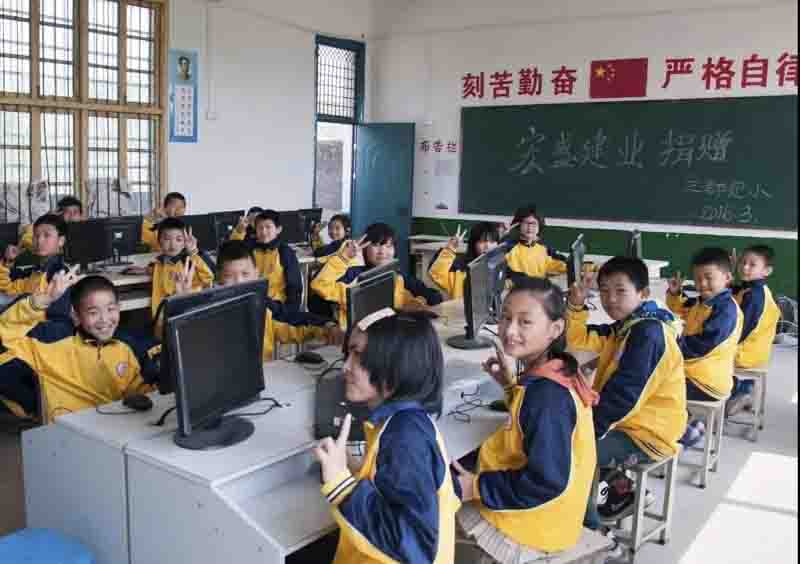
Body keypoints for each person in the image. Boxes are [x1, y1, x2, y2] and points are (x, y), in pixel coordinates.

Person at [451, 277, 597, 560]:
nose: (509, 330)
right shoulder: (556, 369)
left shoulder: (547, 397)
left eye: (525, 322)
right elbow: (529, 423)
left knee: (432, 496)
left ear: (555, 329)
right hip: (551, 515)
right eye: (505, 318)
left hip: (533, 526)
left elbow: (546, 482)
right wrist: (510, 387)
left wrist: (475, 487)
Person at [314, 309, 459, 563]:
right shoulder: (403, 422)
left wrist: (341, 486)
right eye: (348, 353)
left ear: (396, 368)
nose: (345, 367)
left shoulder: (405, 438)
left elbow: (416, 548)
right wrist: (358, 468)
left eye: (358, 355)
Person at [567, 257, 686, 526]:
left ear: (643, 293)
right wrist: (576, 306)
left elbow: (623, 399)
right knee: (567, 433)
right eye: (604, 291)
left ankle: (594, 533)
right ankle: (620, 490)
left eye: (620, 291)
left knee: (571, 449)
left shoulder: (648, 334)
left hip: (648, 434)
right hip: (631, 422)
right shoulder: (627, 325)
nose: (610, 299)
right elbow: (579, 340)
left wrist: (584, 430)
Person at [0, 271, 160, 422]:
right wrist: (41, 301)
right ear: (76, 316)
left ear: (119, 308)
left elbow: (146, 391)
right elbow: (6, 332)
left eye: (110, 309)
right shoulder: (50, 341)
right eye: (93, 312)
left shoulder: (126, 346)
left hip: (117, 427)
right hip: (68, 430)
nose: (104, 319)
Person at [186, 240, 341, 361]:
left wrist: (327, 326)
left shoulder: (263, 308)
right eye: (229, 276)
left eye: (245, 274)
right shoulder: (210, 314)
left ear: (256, 274)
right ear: (219, 279)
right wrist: (184, 303)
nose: (239, 282)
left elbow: (293, 320)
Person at [667, 247, 743, 447]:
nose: (702, 284)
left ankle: (682, 431)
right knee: (655, 377)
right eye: (697, 278)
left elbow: (701, 346)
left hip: (706, 382)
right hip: (696, 373)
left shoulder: (725, 310)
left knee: (654, 384)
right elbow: (683, 308)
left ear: (727, 278)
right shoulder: (704, 302)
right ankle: (686, 422)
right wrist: (675, 294)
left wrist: (668, 346)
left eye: (709, 278)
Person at [311, 222, 443, 327]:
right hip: (359, 340)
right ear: (365, 249)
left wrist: (417, 302)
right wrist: (344, 258)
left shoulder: (397, 276)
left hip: (391, 335)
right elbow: (319, 285)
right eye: (376, 245)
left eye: (388, 246)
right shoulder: (354, 276)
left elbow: (434, 295)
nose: (382, 251)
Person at [727, 245, 781, 416]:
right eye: (743, 262)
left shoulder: (754, 296)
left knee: (703, 358)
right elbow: (733, 292)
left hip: (746, 353)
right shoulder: (754, 288)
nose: (745, 267)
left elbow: (741, 330)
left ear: (767, 271)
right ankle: (744, 386)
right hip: (757, 350)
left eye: (752, 264)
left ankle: (738, 389)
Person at [231, 209, 303, 316]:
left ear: (278, 229)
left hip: (276, 309)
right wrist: (239, 231)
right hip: (252, 306)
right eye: (260, 228)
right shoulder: (251, 249)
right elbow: (231, 252)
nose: (263, 232)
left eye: (268, 227)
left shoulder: (285, 252)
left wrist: (288, 314)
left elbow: (295, 289)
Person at [149, 218, 215, 325]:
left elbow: (209, 278)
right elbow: (163, 271)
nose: (172, 244)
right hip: (160, 318)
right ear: (159, 241)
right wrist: (146, 270)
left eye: (178, 239)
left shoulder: (188, 262)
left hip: (183, 317)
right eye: (167, 239)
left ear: (184, 243)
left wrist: (193, 252)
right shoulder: (159, 263)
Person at [0, 213, 69, 296]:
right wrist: (7, 261)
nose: (39, 241)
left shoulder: (61, 275)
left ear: (61, 241)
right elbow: (8, 288)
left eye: (47, 235)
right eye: (36, 236)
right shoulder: (35, 271)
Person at [428, 222, 499, 299]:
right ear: (473, 244)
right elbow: (437, 274)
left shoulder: (503, 266)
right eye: (482, 241)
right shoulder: (460, 269)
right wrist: (450, 248)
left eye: (492, 241)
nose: (487, 246)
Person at [504, 205, 567, 283]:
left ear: (539, 226)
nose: (530, 228)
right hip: (518, 289)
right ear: (518, 225)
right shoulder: (508, 248)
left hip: (539, 288)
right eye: (526, 223)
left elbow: (563, 264)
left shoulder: (544, 249)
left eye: (534, 224)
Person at [16, 196, 84, 253]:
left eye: (75, 212)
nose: (71, 215)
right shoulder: (48, 229)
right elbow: (26, 240)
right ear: (60, 214)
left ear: (81, 216)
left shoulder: (85, 232)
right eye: (67, 212)